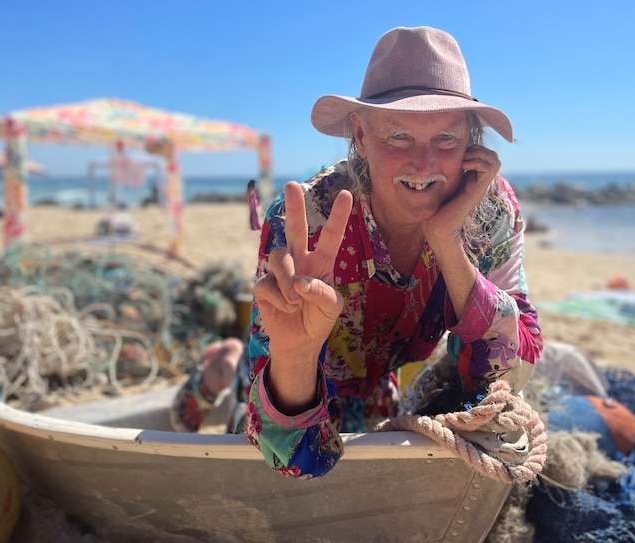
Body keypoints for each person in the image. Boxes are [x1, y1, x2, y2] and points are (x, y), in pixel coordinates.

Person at [174, 26, 544, 479]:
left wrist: (448, 242)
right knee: (257, 456)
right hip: (301, 379)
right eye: (399, 136)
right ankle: (218, 369)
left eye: (445, 138)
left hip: (379, 380)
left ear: (471, 141)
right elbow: (285, 452)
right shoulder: (308, 222)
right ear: (361, 135)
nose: (424, 164)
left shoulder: (490, 210)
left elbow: (517, 365)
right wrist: (292, 357)